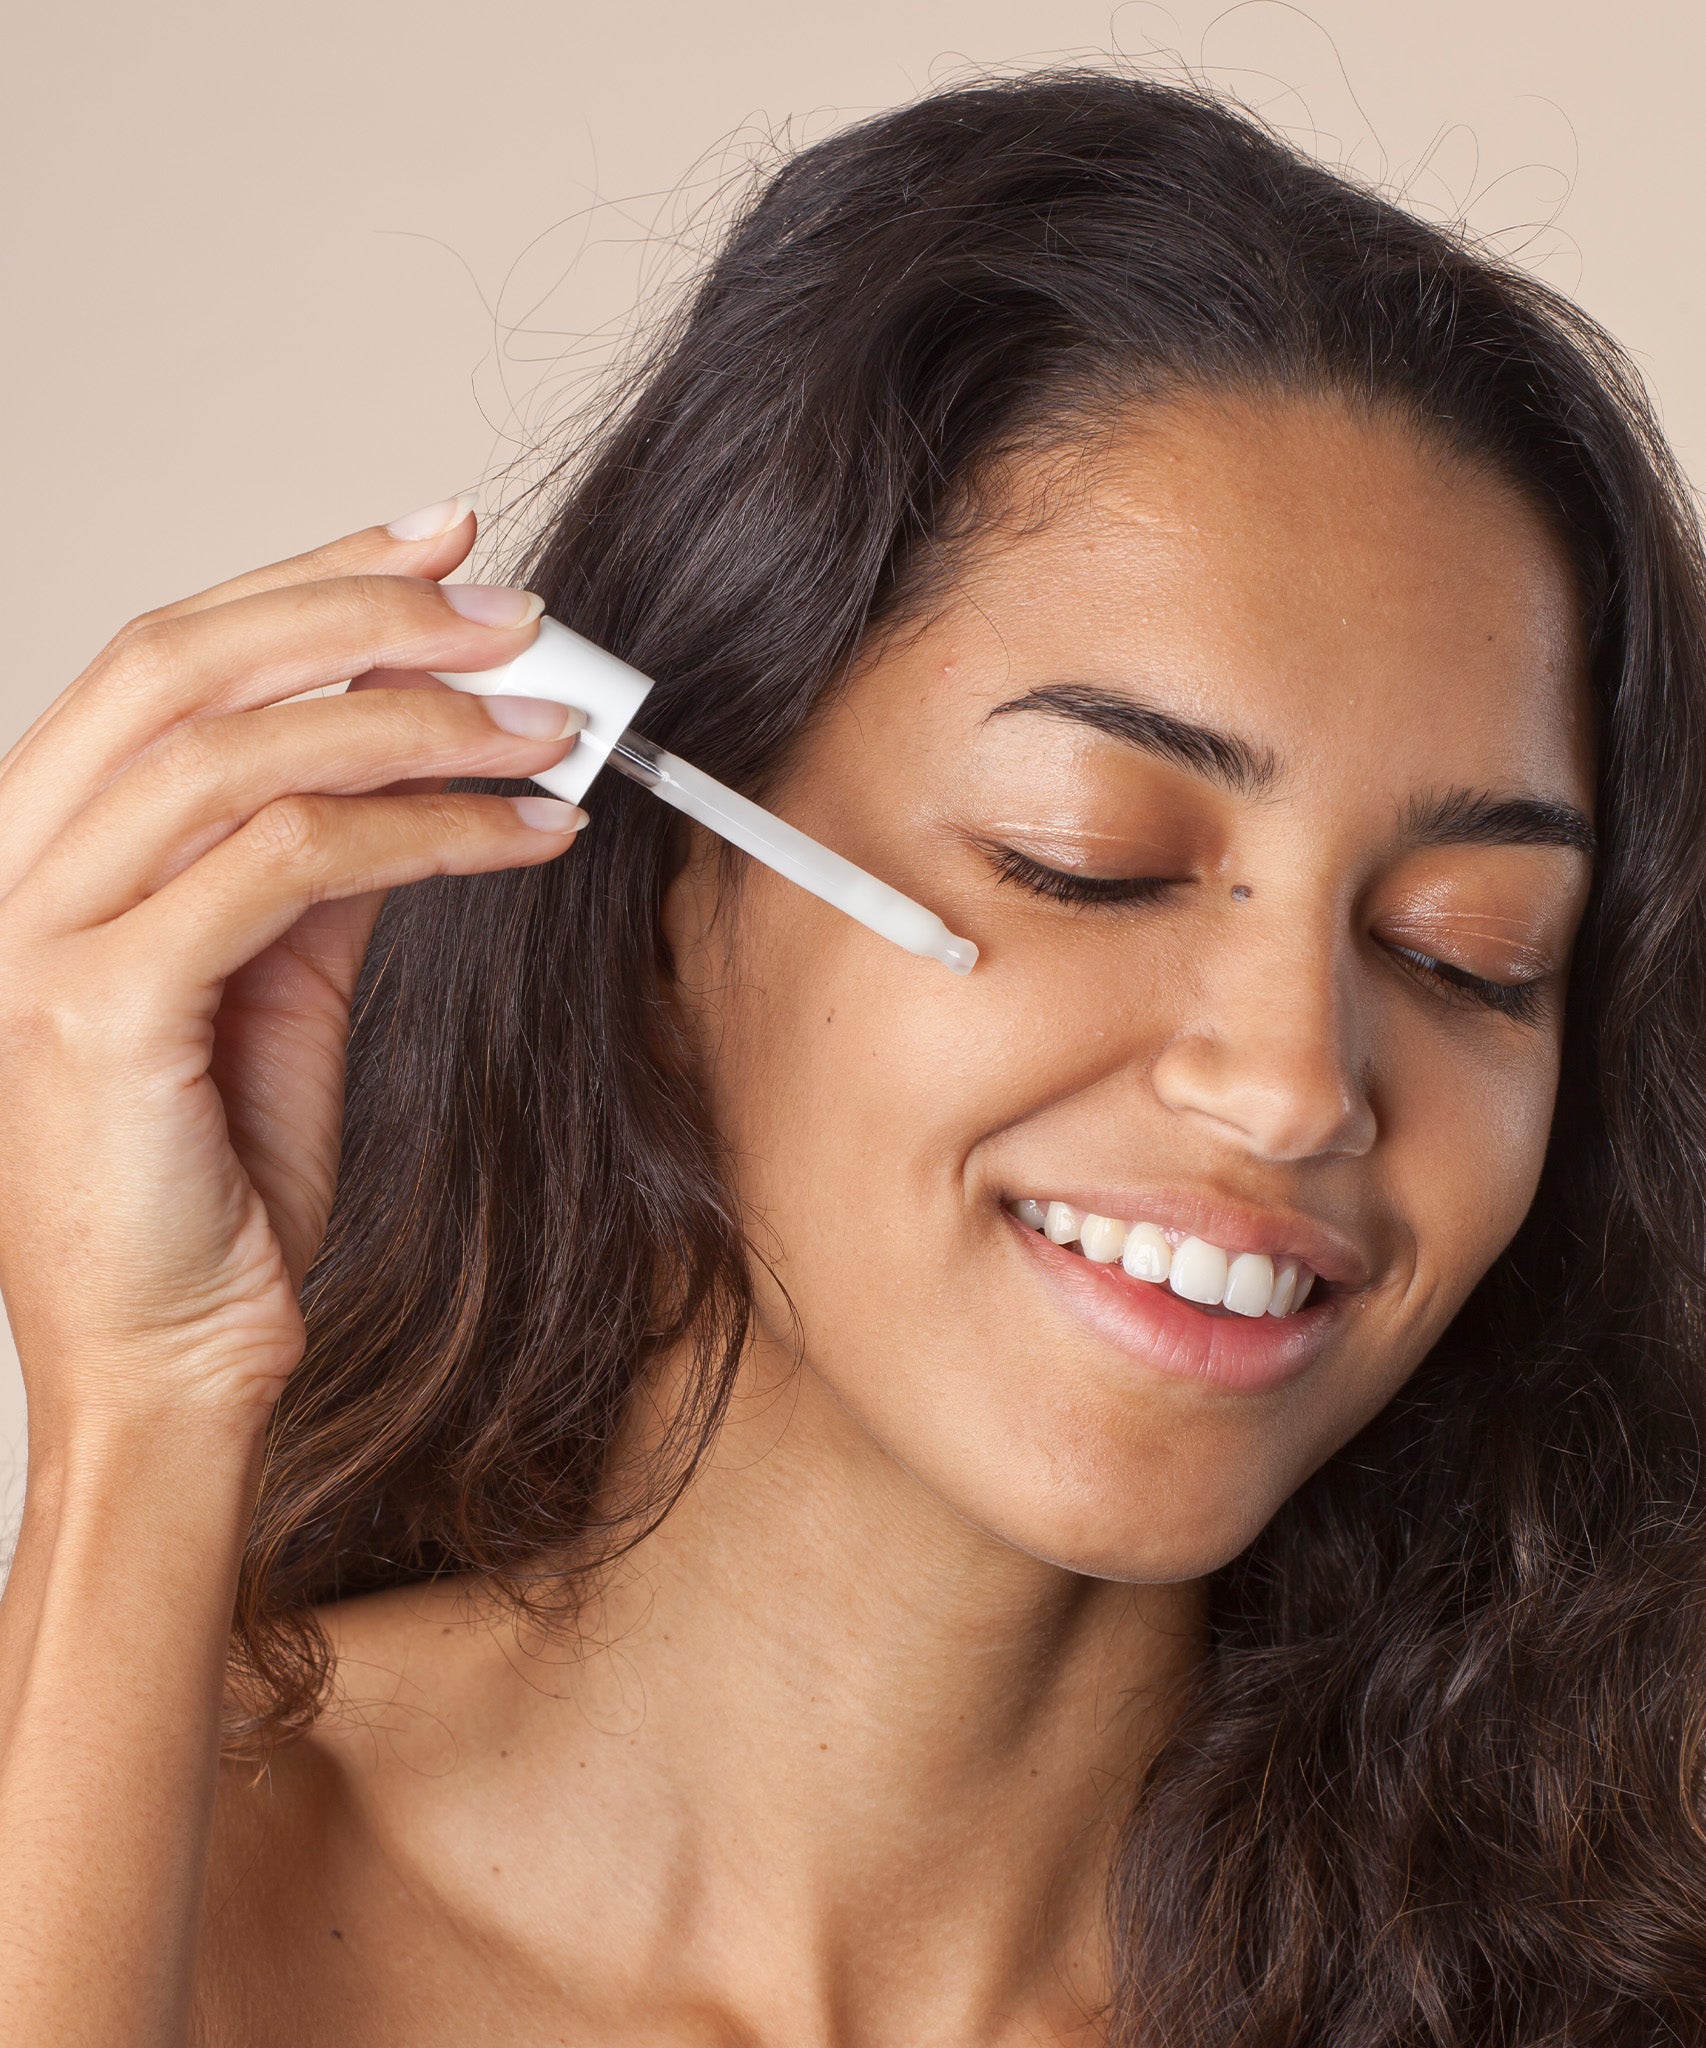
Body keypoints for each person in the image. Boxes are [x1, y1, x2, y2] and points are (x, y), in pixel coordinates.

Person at [2, 67, 1704, 2047]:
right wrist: (140, 1413)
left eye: (1462, 954)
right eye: (1090, 860)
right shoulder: (111, 1857)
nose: (1294, 1084)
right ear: (657, 891)